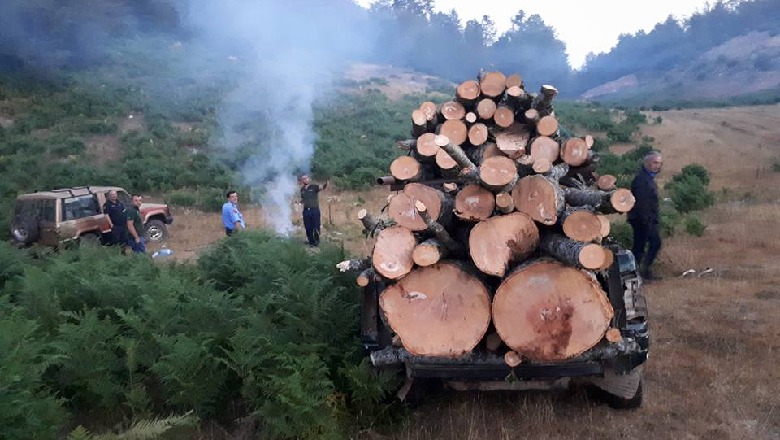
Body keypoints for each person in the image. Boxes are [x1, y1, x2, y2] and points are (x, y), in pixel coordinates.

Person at [628, 152, 664, 281]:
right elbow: (641, 203)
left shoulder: (647, 178)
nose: (657, 166)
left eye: (659, 163)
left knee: (639, 247)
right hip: (642, 220)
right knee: (651, 244)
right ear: (647, 163)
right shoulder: (641, 180)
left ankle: (637, 273)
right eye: (655, 162)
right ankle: (640, 272)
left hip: (645, 219)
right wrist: (646, 221)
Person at [299, 175, 328, 247]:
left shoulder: (313, 187)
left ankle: (316, 242)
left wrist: (326, 183)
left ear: (309, 179)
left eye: (307, 178)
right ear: (302, 181)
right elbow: (303, 199)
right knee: (308, 227)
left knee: (316, 226)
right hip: (306, 211)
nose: (305, 180)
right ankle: (311, 242)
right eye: (304, 179)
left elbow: (322, 187)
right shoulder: (302, 189)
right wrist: (299, 203)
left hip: (314, 210)